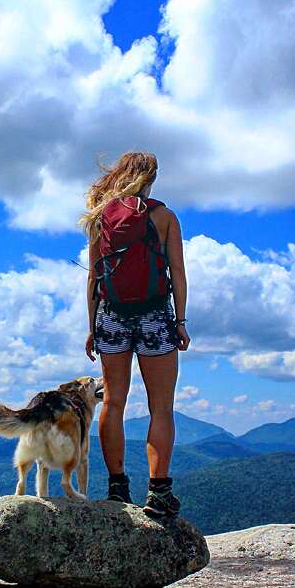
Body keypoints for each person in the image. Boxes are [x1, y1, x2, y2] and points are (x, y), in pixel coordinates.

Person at [79, 151, 190, 517]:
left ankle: (117, 488)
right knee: (161, 407)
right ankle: (158, 492)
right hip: (155, 315)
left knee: (113, 401)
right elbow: (177, 272)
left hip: (111, 317)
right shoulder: (165, 217)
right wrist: (181, 322)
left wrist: (92, 326)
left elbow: (94, 277)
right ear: (151, 178)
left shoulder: (101, 218)